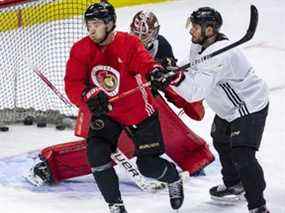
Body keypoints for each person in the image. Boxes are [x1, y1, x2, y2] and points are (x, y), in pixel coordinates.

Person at [64, 2, 184, 213]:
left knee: (148, 166)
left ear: (110, 24)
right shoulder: (80, 49)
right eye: (88, 24)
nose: (91, 29)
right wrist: (86, 95)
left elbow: (144, 62)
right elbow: (72, 83)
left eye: (96, 24)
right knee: (96, 153)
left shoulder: (128, 43)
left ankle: (173, 178)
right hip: (108, 112)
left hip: (138, 111)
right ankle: (116, 206)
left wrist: (155, 71)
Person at [165, 7, 270, 213]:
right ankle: (234, 184)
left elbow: (195, 92)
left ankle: (258, 205)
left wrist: (175, 79)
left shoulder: (221, 54)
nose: (191, 31)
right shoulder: (201, 45)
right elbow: (194, 64)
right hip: (227, 109)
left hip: (248, 106)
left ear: (210, 30)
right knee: (221, 141)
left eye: (195, 27)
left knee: (243, 155)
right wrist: (174, 67)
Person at [130, 10, 206, 176]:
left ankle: (192, 102)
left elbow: (169, 65)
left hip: (152, 87)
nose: (140, 38)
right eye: (137, 33)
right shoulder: (124, 44)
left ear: (155, 32)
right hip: (133, 93)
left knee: (179, 91)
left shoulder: (161, 44)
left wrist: (165, 66)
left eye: (146, 34)